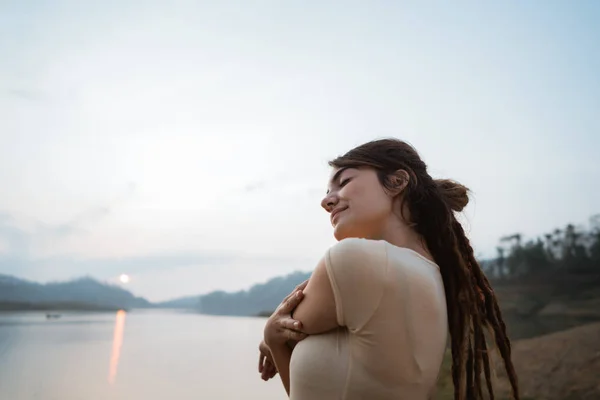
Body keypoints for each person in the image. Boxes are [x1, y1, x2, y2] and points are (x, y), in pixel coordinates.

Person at [258, 138, 520, 400]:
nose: (326, 201)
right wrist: (275, 340)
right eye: (327, 191)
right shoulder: (430, 275)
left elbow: (285, 336)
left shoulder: (354, 259)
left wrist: (272, 337)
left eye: (345, 181)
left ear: (397, 182)